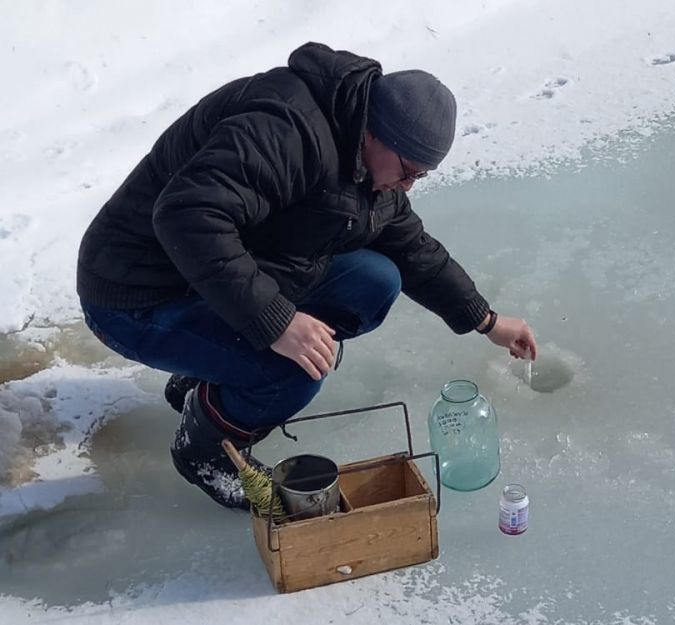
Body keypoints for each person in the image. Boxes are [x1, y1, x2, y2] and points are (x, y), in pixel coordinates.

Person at [76, 42, 537, 510]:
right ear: (376, 135)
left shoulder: (365, 158)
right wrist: (276, 322)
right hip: (135, 293)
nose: (407, 187)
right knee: (293, 372)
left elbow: (413, 249)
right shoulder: (286, 132)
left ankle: (207, 379)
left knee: (375, 280)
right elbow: (186, 216)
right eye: (407, 172)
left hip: (205, 276)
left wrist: (488, 321)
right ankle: (204, 450)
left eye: (420, 177)